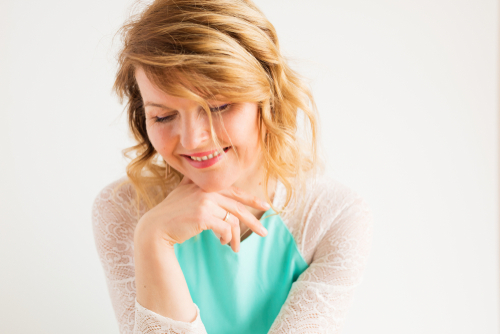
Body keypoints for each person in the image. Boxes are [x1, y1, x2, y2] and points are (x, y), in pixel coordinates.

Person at [91, 0, 373, 333]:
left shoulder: (333, 216)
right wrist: (153, 239)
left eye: (219, 105)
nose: (194, 139)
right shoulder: (125, 211)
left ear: (267, 97)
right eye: (164, 116)